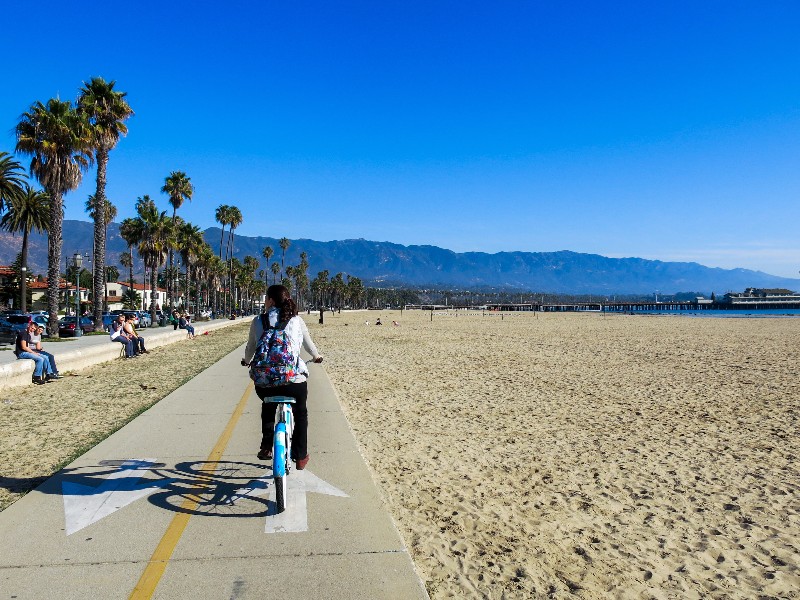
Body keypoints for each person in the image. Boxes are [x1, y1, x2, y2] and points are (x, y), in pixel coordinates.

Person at [243, 284, 323, 469]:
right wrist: (316, 357)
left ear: (270, 300)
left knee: (267, 403)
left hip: (264, 383)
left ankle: (266, 446)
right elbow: (309, 345)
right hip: (293, 381)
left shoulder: (258, 320)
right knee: (301, 412)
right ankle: (300, 455)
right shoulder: (296, 320)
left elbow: (250, 348)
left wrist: (246, 361)